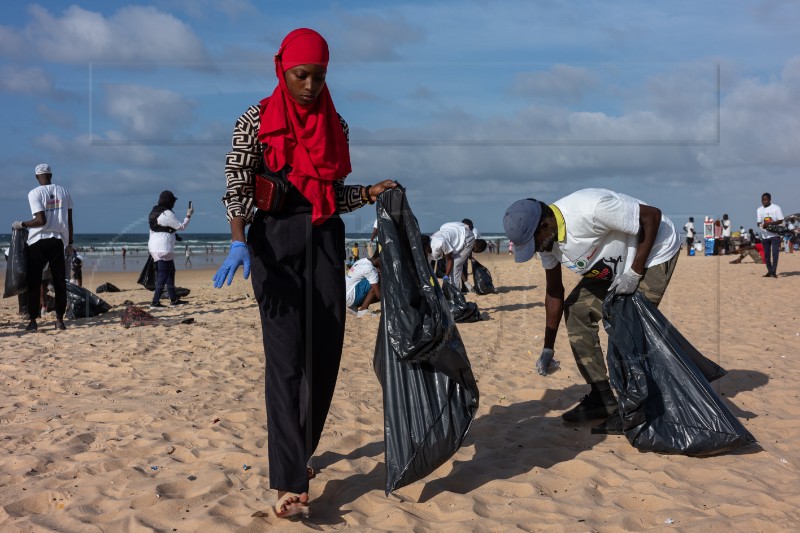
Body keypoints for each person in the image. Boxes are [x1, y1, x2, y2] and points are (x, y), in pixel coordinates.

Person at [212, 28, 397, 519]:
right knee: (285, 359)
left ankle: (302, 448)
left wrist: (369, 193)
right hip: (272, 244)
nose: (310, 85)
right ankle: (291, 480)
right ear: (282, 69)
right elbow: (236, 184)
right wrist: (237, 239)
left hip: (325, 241)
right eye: (302, 75)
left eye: (319, 76)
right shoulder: (254, 120)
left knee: (325, 352)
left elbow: (331, 195)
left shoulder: (336, 123)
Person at [503, 189, 680, 435]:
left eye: (535, 243)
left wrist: (636, 271)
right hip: (612, 265)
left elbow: (652, 216)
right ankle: (602, 397)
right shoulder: (547, 240)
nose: (536, 250)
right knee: (576, 310)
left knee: (625, 324)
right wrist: (547, 348)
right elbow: (554, 291)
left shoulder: (591, 210)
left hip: (653, 252)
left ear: (545, 224)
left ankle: (634, 408)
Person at [12, 163, 73, 332]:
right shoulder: (64, 191)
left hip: (38, 241)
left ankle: (33, 322)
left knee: (34, 282)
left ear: (37, 177)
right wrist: (70, 244)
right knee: (60, 283)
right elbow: (69, 220)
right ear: (51, 175)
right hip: (57, 241)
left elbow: (41, 221)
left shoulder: (35, 193)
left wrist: (22, 224)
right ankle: (60, 321)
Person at [148, 190, 192, 308]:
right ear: (169, 201)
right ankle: (155, 302)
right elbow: (181, 226)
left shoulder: (154, 211)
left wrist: (174, 235)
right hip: (164, 248)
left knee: (170, 272)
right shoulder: (167, 213)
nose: (173, 204)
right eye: (173, 201)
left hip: (154, 246)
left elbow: (161, 229)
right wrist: (188, 215)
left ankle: (173, 299)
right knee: (163, 274)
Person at [422, 222, 486, 291]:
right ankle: (454, 288)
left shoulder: (440, 243)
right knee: (453, 266)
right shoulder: (426, 251)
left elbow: (450, 260)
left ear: (427, 247)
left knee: (455, 266)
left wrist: (446, 276)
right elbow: (426, 269)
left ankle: (455, 292)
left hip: (466, 236)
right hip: (450, 230)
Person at [345, 250, 381, 317]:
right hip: (350, 299)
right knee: (376, 284)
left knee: (373, 280)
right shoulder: (370, 269)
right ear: (379, 259)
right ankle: (363, 309)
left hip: (344, 295)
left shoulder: (362, 261)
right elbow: (378, 295)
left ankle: (358, 305)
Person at [756, 192, 783, 278]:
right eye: (762, 200)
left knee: (775, 253)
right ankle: (769, 271)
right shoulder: (759, 209)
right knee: (767, 254)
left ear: (770, 199)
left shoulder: (776, 208)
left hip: (775, 235)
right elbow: (758, 222)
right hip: (765, 235)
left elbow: (781, 220)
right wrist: (762, 226)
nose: (764, 201)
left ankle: (774, 272)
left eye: (765, 200)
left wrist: (770, 224)